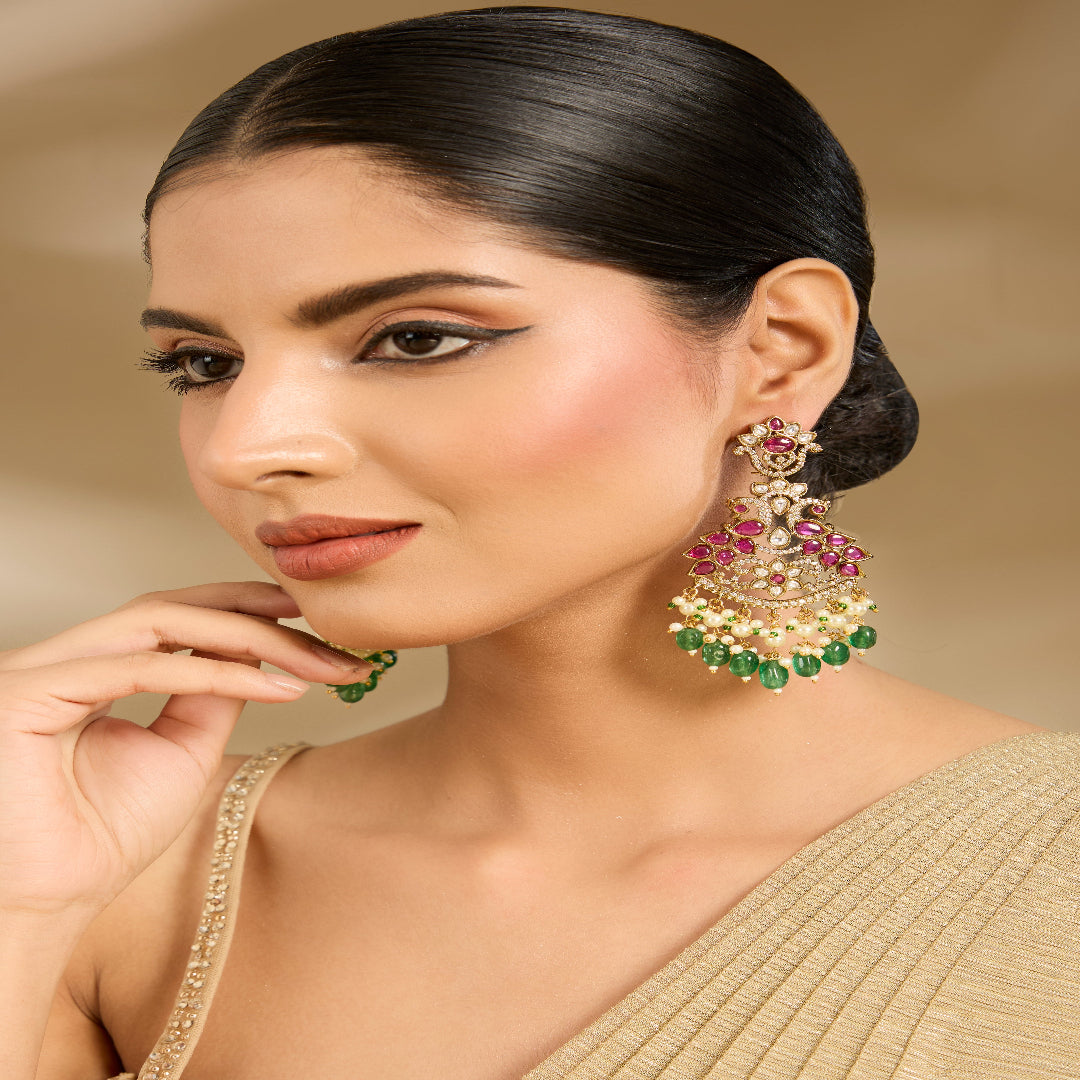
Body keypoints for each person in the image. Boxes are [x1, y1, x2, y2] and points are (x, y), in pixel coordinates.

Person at [4, 7, 1078, 1079]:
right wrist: (21, 905)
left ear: (782, 350)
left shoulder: (1052, 873)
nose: (247, 449)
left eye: (416, 339)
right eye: (204, 364)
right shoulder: (126, 873)